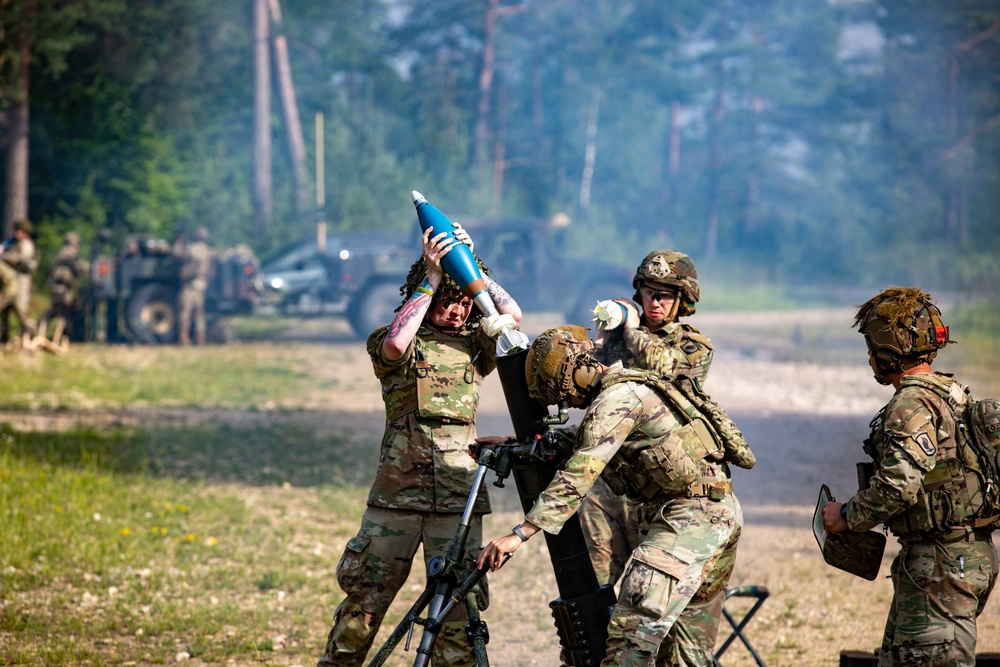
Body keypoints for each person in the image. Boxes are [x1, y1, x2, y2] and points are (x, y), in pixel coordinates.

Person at [478, 325, 747, 666]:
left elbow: (581, 471)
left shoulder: (615, 400)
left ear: (578, 373)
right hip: (715, 512)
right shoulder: (626, 389)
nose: (571, 405)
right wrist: (512, 443)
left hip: (689, 519)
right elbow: (587, 440)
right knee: (680, 654)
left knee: (629, 637)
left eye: (566, 396)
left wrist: (520, 534)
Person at [317, 223, 522, 667]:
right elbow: (394, 343)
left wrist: (472, 265)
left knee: (456, 622)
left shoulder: (476, 345)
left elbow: (513, 316)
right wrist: (432, 277)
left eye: (464, 303)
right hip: (396, 499)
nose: (458, 312)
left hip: (457, 503)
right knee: (363, 608)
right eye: (451, 301)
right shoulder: (394, 339)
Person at [821, 287, 997, 667]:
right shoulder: (953, 394)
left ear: (886, 348)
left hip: (939, 564)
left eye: (871, 345)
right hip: (964, 558)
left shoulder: (911, 404)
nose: (869, 356)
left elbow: (898, 487)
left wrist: (845, 516)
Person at [584, 250, 714, 587]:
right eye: (648, 293)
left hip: (660, 487)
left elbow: (664, 366)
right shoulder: (621, 338)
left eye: (665, 295)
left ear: (682, 300)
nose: (654, 302)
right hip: (609, 482)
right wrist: (600, 341)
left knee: (651, 592)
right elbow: (581, 390)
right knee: (592, 586)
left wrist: (630, 327)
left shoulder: (693, 345)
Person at [36, 231, 89, 348]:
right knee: (62, 312)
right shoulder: (69, 254)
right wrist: (88, 267)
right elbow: (79, 268)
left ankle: (46, 332)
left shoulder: (61, 253)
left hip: (58, 288)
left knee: (59, 311)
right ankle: (52, 336)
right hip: (62, 289)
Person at [0, 218, 39, 345]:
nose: (17, 234)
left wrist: (3, 256)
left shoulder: (26, 245)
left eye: (19, 231)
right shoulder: (13, 243)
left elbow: (18, 259)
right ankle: (4, 338)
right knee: (4, 312)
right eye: (16, 231)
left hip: (21, 284)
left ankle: (33, 335)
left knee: (21, 313)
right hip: (9, 283)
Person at [174, 225, 212, 345]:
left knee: (185, 313)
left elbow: (176, 254)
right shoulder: (207, 250)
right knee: (199, 315)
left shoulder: (191, 249)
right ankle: (200, 339)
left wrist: (179, 240)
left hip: (189, 285)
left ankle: (184, 339)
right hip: (201, 284)